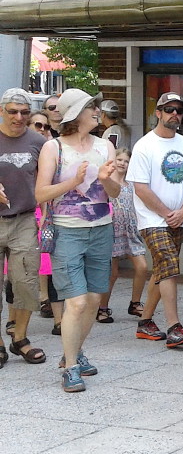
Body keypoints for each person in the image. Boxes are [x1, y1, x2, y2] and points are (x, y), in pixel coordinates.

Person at [35, 89, 120, 393]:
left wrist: (107, 178)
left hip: (101, 228)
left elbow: (115, 193)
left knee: (95, 300)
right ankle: (71, 367)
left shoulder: (104, 146)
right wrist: (73, 182)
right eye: (91, 107)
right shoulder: (53, 148)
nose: (98, 111)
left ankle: (75, 353)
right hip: (66, 231)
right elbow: (41, 194)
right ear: (75, 114)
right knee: (77, 301)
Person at [127, 92, 183, 348]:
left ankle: (145, 322)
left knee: (162, 269)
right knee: (169, 263)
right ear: (157, 113)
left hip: (179, 217)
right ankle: (173, 326)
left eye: (179, 110)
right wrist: (166, 213)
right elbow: (140, 187)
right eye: (168, 109)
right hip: (152, 219)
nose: (174, 114)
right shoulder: (145, 146)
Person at [0, 88, 48, 371]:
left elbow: (49, 178)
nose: (19, 117)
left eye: (24, 112)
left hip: (25, 219)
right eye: (12, 111)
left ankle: (20, 338)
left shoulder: (39, 142)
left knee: (26, 282)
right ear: (2, 111)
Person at [97, 149, 148, 325]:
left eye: (126, 161)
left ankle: (135, 302)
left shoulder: (132, 184)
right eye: (119, 159)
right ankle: (102, 308)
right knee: (112, 272)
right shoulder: (106, 183)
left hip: (130, 230)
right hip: (112, 231)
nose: (122, 163)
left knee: (142, 266)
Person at [29, 110, 63, 330]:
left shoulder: (50, 150)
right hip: (19, 213)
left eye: (45, 127)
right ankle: (16, 320)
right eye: (38, 125)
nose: (42, 130)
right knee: (19, 271)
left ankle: (58, 317)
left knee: (50, 262)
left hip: (46, 212)